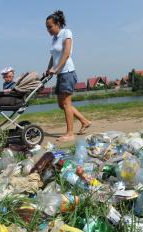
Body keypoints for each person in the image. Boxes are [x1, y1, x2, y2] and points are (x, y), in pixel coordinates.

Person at [45, 10, 91, 142]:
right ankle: (84, 121)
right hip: (60, 74)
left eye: (50, 26)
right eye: (47, 27)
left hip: (67, 72)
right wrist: (48, 69)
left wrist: (56, 68)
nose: (48, 30)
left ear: (57, 24)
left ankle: (70, 133)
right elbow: (53, 56)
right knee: (62, 104)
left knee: (66, 104)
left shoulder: (66, 33)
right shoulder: (54, 39)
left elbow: (66, 53)